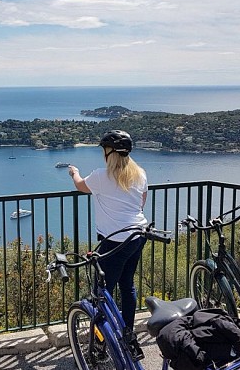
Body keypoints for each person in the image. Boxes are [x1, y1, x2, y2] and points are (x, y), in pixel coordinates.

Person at [67, 129, 148, 358]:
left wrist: (74, 172)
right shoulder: (140, 174)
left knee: (100, 294)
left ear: (109, 153)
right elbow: (141, 203)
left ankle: (100, 347)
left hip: (114, 242)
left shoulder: (101, 176)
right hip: (137, 236)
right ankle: (128, 337)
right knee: (127, 286)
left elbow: (80, 186)